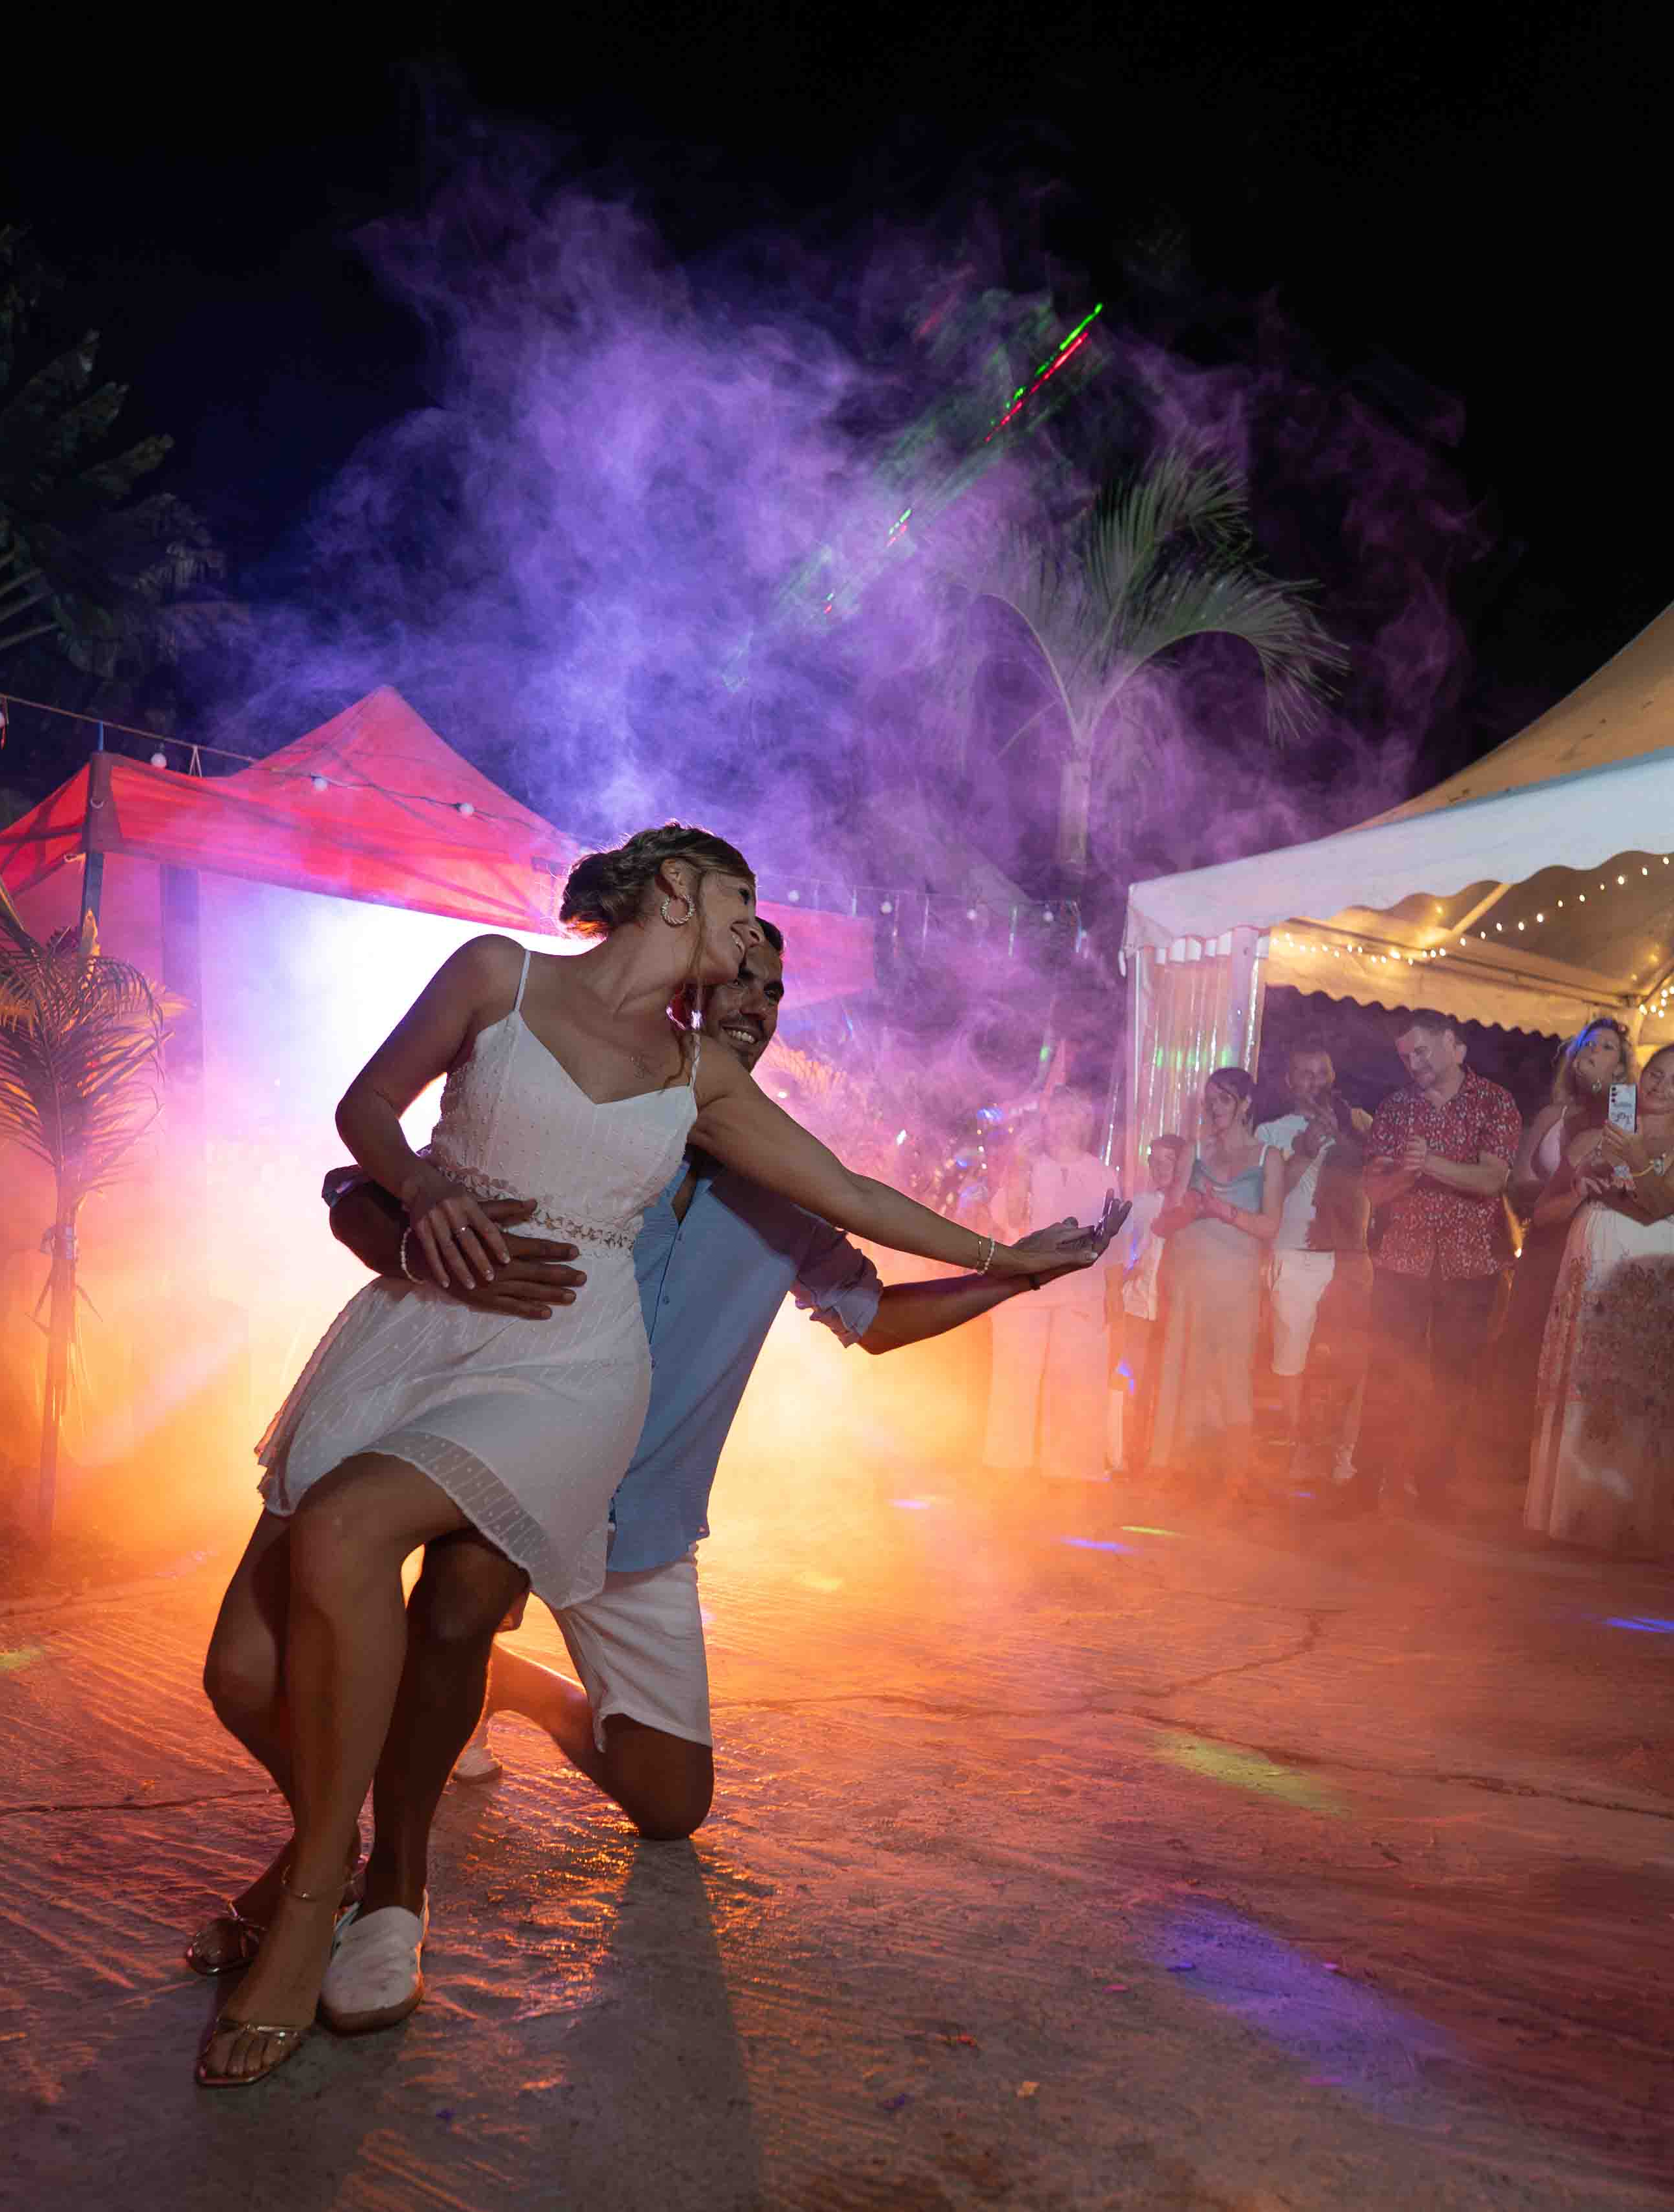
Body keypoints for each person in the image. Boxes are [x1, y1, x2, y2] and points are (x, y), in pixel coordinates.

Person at [192, 829, 1088, 2087]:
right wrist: (415, 1219)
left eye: (775, 987)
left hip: (598, 1446)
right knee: (256, 1662)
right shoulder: (505, 982)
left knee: (609, 1747)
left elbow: (866, 1249)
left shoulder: (727, 1120)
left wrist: (1010, 1261)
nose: (762, 989)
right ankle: (345, 1863)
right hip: (421, 1354)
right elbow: (362, 1152)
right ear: (681, 912)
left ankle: (366, 1870)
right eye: (746, 936)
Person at [1524, 1042, 1674, 1551]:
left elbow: (1659, 1205)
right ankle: (1569, 1514)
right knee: (1583, 1378)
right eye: (1656, 1073)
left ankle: (1625, 1522)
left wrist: (1634, 1158)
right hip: (1590, 1257)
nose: (1659, 1086)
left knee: (1635, 1385)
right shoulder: (1589, 1138)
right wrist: (1580, 1188)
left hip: (1646, 1267)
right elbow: (1542, 1214)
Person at [1360, 1012, 1524, 1512]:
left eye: (1423, 1052)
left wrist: (1427, 1162)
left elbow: (1492, 1180)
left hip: (1469, 1265)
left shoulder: (1495, 1103)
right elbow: (1375, 1187)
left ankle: (1434, 1488)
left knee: (1453, 1379)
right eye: (1407, 1056)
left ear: (1456, 1047)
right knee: (1388, 1372)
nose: (1414, 1064)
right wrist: (1405, 1177)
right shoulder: (1395, 1107)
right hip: (1402, 1260)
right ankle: (1370, 1483)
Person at [1485, 1017, 1634, 1476]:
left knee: (1578, 1346)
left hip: (1593, 1240)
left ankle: (1565, 1458)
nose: (1596, 1052)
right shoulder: (1553, 1116)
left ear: (1622, 1065)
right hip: (1546, 1239)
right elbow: (1521, 1181)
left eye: (1609, 1047)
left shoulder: (1626, 1111)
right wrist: (1559, 1188)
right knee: (1525, 1341)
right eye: (1590, 1044)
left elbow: (1620, 1172)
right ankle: (1513, 1452)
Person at [982, 1084, 1120, 1482]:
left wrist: (1113, 1292)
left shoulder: (1104, 1174)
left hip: (1081, 1291)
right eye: (1058, 1113)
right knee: (1016, 1376)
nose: (1064, 1122)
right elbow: (1012, 1221)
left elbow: (1112, 1241)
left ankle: (1071, 1466)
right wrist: (1020, 1168)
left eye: (1074, 1113)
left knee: (1077, 1382)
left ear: (1088, 1121)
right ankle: (1008, 1465)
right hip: (1027, 1287)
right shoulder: (1029, 1167)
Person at [1154, 1066, 1281, 1489]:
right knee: (1188, 1369)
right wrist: (1189, 1210)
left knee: (1232, 1375)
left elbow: (1270, 1227)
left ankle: (1234, 1479)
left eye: (1223, 1099)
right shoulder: (1195, 1151)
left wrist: (1223, 1211)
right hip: (1192, 1278)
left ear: (1245, 1104)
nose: (1213, 1108)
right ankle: (1182, 1469)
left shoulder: (1268, 1157)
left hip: (1237, 1281)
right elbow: (1163, 1223)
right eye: (1209, 1100)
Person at [1255, 1044, 1377, 1474]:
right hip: (1293, 1252)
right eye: (1303, 1074)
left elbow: (1381, 1183)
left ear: (1333, 1079)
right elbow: (1264, 1198)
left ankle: (1343, 1453)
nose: (1313, 1082)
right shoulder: (1271, 1133)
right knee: (1292, 1359)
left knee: (1348, 1359)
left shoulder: (1358, 1125)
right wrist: (1303, 1149)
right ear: (1289, 1083)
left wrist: (1358, 1133)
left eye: (1321, 1073)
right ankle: (1297, 1448)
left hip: (1348, 1254)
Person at [1109, 1130, 1185, 1473]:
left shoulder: (1189, 1206)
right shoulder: (1139, 1204)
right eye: (1154, 1160)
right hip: (1138, 1306)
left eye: (1168, 1160)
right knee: (1134, 1381)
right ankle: (1128, 1455)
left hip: (1173, 1309)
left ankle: (1160, 1458)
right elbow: (1121, 1254)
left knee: (1166, 1386)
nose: (1159, 1167)